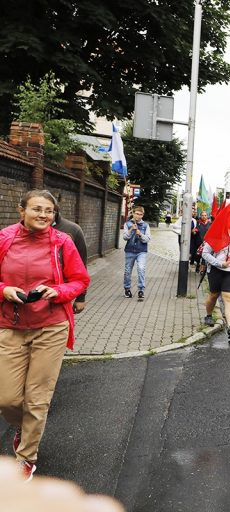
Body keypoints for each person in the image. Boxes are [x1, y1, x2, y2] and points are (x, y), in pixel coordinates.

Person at [0, 190, 90, 481]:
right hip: (10, 325)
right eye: (37, 209)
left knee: (37, 398)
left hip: (50, 326)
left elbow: (80, 279)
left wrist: (59, 291)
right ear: (21, 210)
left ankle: (26, 457)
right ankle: (22, 426)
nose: (43, 215)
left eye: (49, 211)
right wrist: (4, 290)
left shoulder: (62, 242)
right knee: (8, 399)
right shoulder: (4, 238)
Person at [201, 217, 230, 342]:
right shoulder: (216, 235)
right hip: (216, 270)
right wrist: (220, 263)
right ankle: (209, 315)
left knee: (229, 297)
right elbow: (205, 253)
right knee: (214, 295)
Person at [52, 210, 88, 314]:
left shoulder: (72, 230)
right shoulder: (17, 232)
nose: (42, 215)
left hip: (61, 294)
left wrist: (81, 297)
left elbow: (81, 266)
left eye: (49, 210)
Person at [122, 206, 150, 300]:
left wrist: (140, 234)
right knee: (127, 271)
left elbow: (147, 239)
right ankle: (127, 289)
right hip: (130, 251)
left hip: (141, 251)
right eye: (137, 214)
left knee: (141, 268)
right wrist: (131, 230)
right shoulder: (127, 224)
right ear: (133, 213)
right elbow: (125, 237)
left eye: (140, 214)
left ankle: (141, 290)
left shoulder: (145, 226)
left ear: (143, 215)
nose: (138, 216)